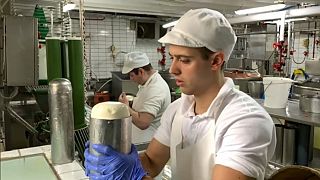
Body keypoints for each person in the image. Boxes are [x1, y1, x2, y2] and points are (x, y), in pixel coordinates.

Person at [84, 8, 276, 180]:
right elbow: (151, 161)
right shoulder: (178, 110)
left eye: (184, 60)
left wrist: (134, 177)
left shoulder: (246, 121)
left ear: (216, 61)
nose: (173, 69)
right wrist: (114, 164)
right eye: (173, 58)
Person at [118, 52, 171, 145]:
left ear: (141, 71)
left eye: (131, 75)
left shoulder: (156, 89)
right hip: (140, 142)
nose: (131, 79)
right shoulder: (148, 83)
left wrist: (125, 106)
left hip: (147, 145)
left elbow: (143, 122)